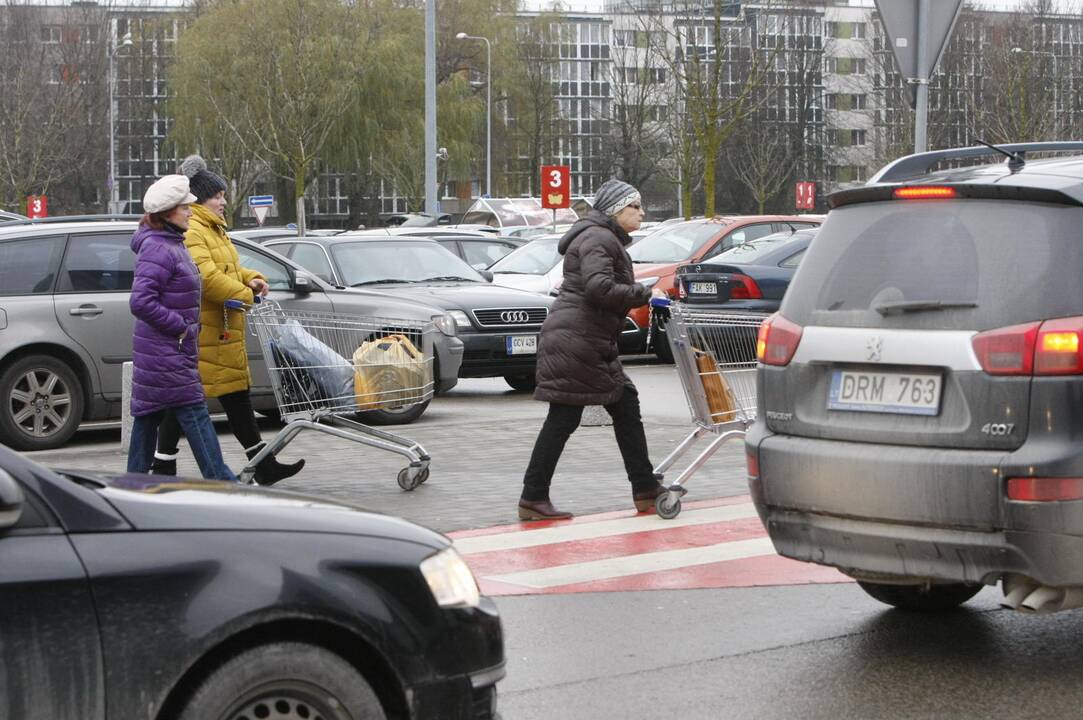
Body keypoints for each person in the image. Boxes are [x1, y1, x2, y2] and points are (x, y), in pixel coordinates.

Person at [517, 178, 677, 520]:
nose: (641, 212)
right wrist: (642, 293)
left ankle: (644, 487)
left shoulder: (601, 237)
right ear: (617, 210)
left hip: (584, 339)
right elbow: (598, 287)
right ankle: (534, 497)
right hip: (578, 340)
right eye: (635, 206)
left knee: (621, 404)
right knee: (564, 417)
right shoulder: (598, 238)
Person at [149, 155, 304, 485]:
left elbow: (228, 269)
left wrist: (252, 277)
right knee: (187, 400)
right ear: (201, 198)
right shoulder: (195, 231)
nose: (223, 201)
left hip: (222, 330)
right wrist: (248, 295)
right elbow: (205, 277)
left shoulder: (214, 230)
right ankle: (163, 466)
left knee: (233, 395)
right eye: (218, 196)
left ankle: (261, 462)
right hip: (206, 332)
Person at [127, 175, 237, 481]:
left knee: (147, 418)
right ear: (168, 213)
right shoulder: (159, 249)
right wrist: (181, 328)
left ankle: (132, 486)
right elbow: (140, 301)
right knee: (195, 415)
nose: (191, 211)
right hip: (168, 352)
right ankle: (224, 483)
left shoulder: (170, 242)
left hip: (166, 351)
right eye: (185, 207)